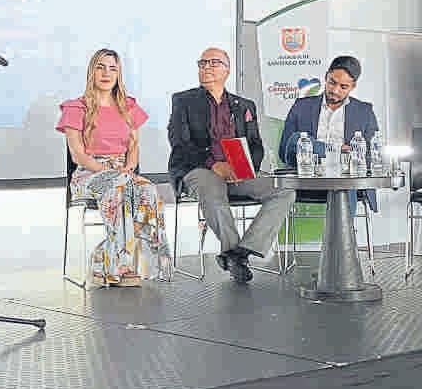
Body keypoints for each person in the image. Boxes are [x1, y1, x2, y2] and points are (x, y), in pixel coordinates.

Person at [168, 47, 295, 283]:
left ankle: (240, 253)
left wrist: (244, 167)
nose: (206, 67)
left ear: (227, 70)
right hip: (199, 170)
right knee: (211, 187)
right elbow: (180, 143)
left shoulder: (244, 105)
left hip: (238, 173)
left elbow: (255, 145)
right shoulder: (183, 101)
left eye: (213, 63)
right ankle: (234, 253)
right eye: (202, 63)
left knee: (284, 189)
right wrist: (214, 164)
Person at [56, 49, 172, 286]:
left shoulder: (128, 106)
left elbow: (134, 146)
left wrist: (128, 167)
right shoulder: (76, 108)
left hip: (122, 172)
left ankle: (103, 259)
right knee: (119, 187)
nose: (106, 73)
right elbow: (78, 155)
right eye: (101, 67)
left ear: (119, 74)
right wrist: (107, 171)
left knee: (148, 191)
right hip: (89, 174)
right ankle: (121, 267)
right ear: (92, 71)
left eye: (113, 68)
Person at [278, 55, 379, 214]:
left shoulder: (364, 111)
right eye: (332, 82)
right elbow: (285, 149)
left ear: (353, 86)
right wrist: (337, 150)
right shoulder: (302, 106)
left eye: (343, 87)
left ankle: (343, 231)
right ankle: (336, 152)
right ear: (326, 77)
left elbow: (370, 155)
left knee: (344, 182)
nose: (335, 90)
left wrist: (346, 160)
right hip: (308, 177)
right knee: (298, 139)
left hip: (345, 178)